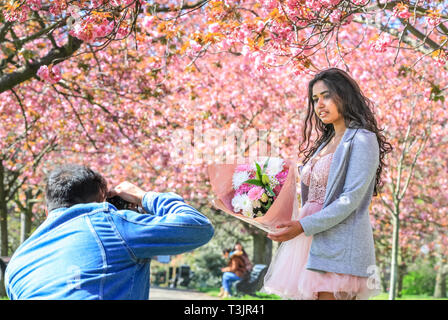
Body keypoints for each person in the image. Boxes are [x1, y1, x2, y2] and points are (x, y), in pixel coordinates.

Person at [263, 68, 392, 300]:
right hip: (307, 242)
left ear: (344, 95)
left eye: (326, 95)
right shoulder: (324, 144)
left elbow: (350, 199)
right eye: (314, 99)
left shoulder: (362, 139)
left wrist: (302, 226)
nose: (319, 104)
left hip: (339, 244)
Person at [5, 164, 214, 300]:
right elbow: (198, 226)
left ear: (46, 209)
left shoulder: (17, 262)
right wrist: (144, 197)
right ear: (101, 199)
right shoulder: (108, 222)